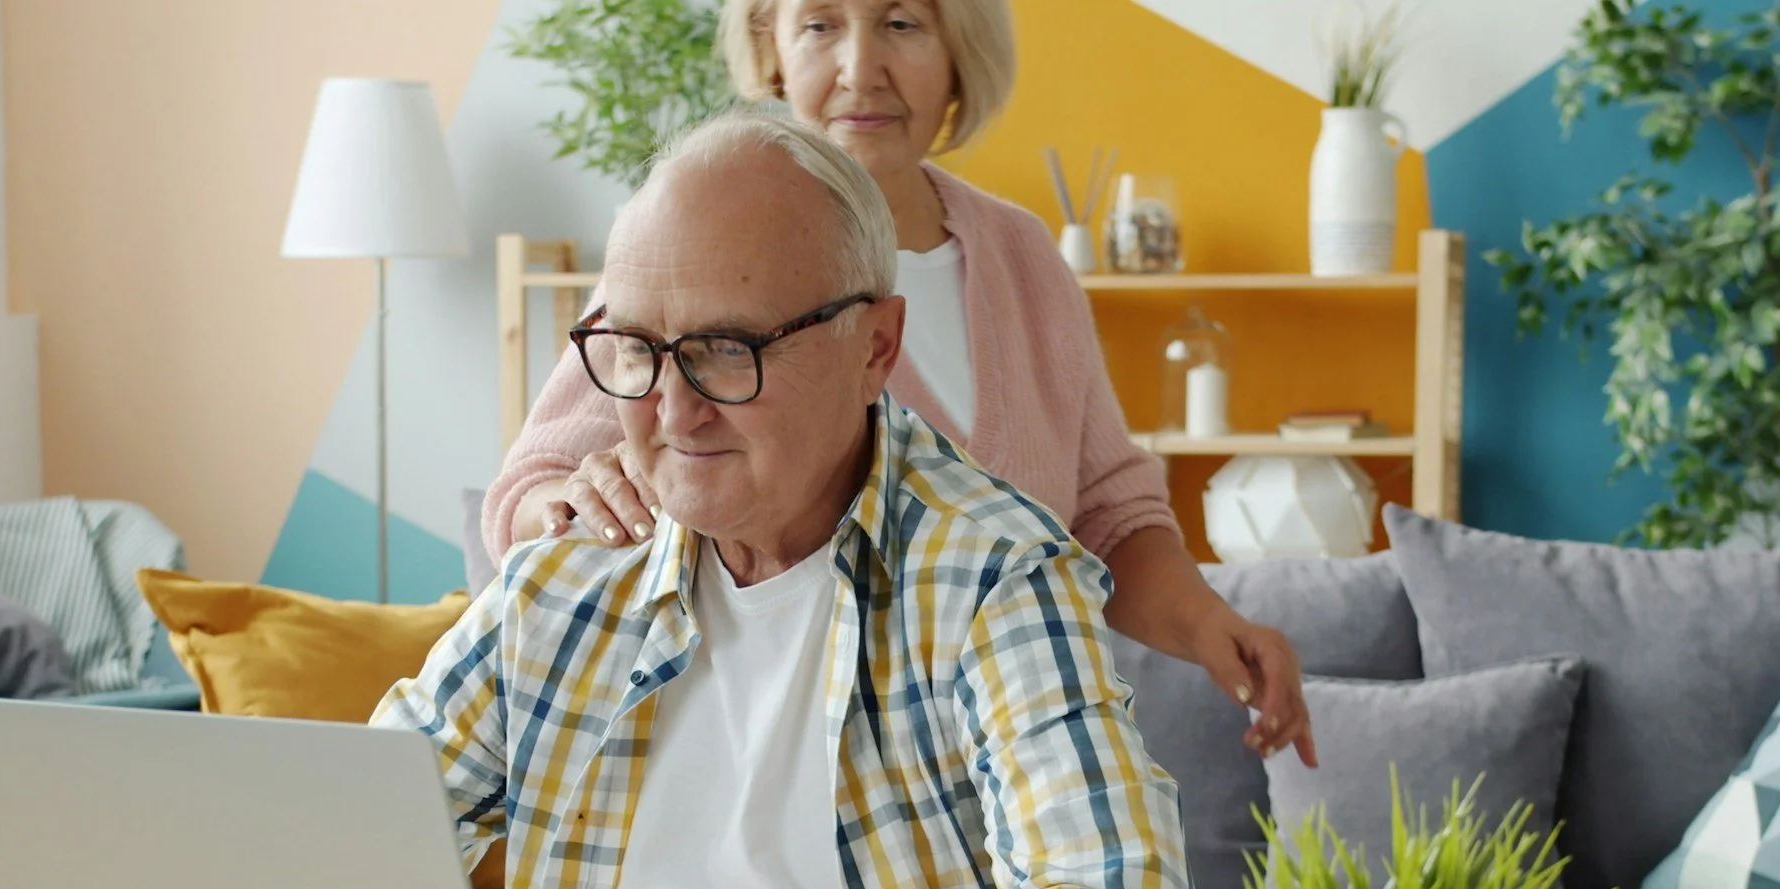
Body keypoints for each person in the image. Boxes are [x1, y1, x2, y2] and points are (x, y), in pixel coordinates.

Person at [258, 110, 1192, 889]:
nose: (671, 407)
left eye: (729, 352)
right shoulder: (569, 580)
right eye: (635, 353)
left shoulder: (993, 574)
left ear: (876, 344)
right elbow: (337, 835)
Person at [482, 0, 1314, 765]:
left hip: (1016, 776)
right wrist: (574, 507)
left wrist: (1214, 626)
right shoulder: (696, 249)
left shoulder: (1024, 260)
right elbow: (529, 490)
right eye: (819, 25)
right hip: (778, 785)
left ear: (961, 50)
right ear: (771, 46)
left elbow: (1108, 516)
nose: (859, 67)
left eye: (903, 22)